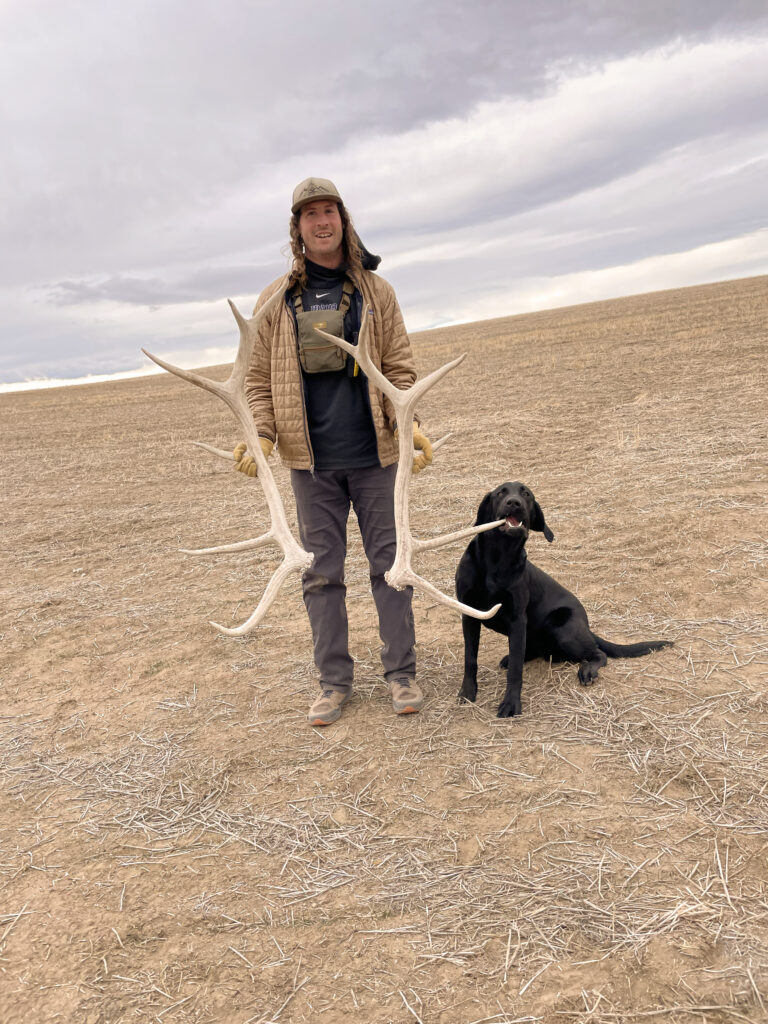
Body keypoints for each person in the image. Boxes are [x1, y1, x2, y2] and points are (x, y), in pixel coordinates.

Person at [234, 177, 432, 726]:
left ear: (344, 220)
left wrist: (408, 423)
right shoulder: (274, 302)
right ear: (296, 229)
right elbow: (257, 379)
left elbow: (399, 367)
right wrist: (263, 435)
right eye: (309, 214)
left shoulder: (377, 292)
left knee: (391, 568)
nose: (321, 222)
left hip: (376, 458)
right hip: (310, 464)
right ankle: (333, 683)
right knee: (320, 574)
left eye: (329, 212)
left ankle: (402, 674)